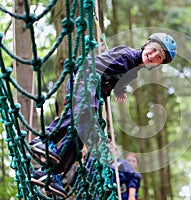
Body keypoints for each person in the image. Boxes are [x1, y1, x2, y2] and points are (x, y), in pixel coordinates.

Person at [29, 32, 177, 197]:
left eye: (159, 57)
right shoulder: (127, 56)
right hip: (86, 79)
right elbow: (96, 65)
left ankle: (52, 175)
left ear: (158, 64)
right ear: (146, 45)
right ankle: (44, 139)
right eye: (154, 49)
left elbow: (123, 79)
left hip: (94, 90)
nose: (154, 55)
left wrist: (120, 90)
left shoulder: (134, 68)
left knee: (80, 135)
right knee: (84, 113)